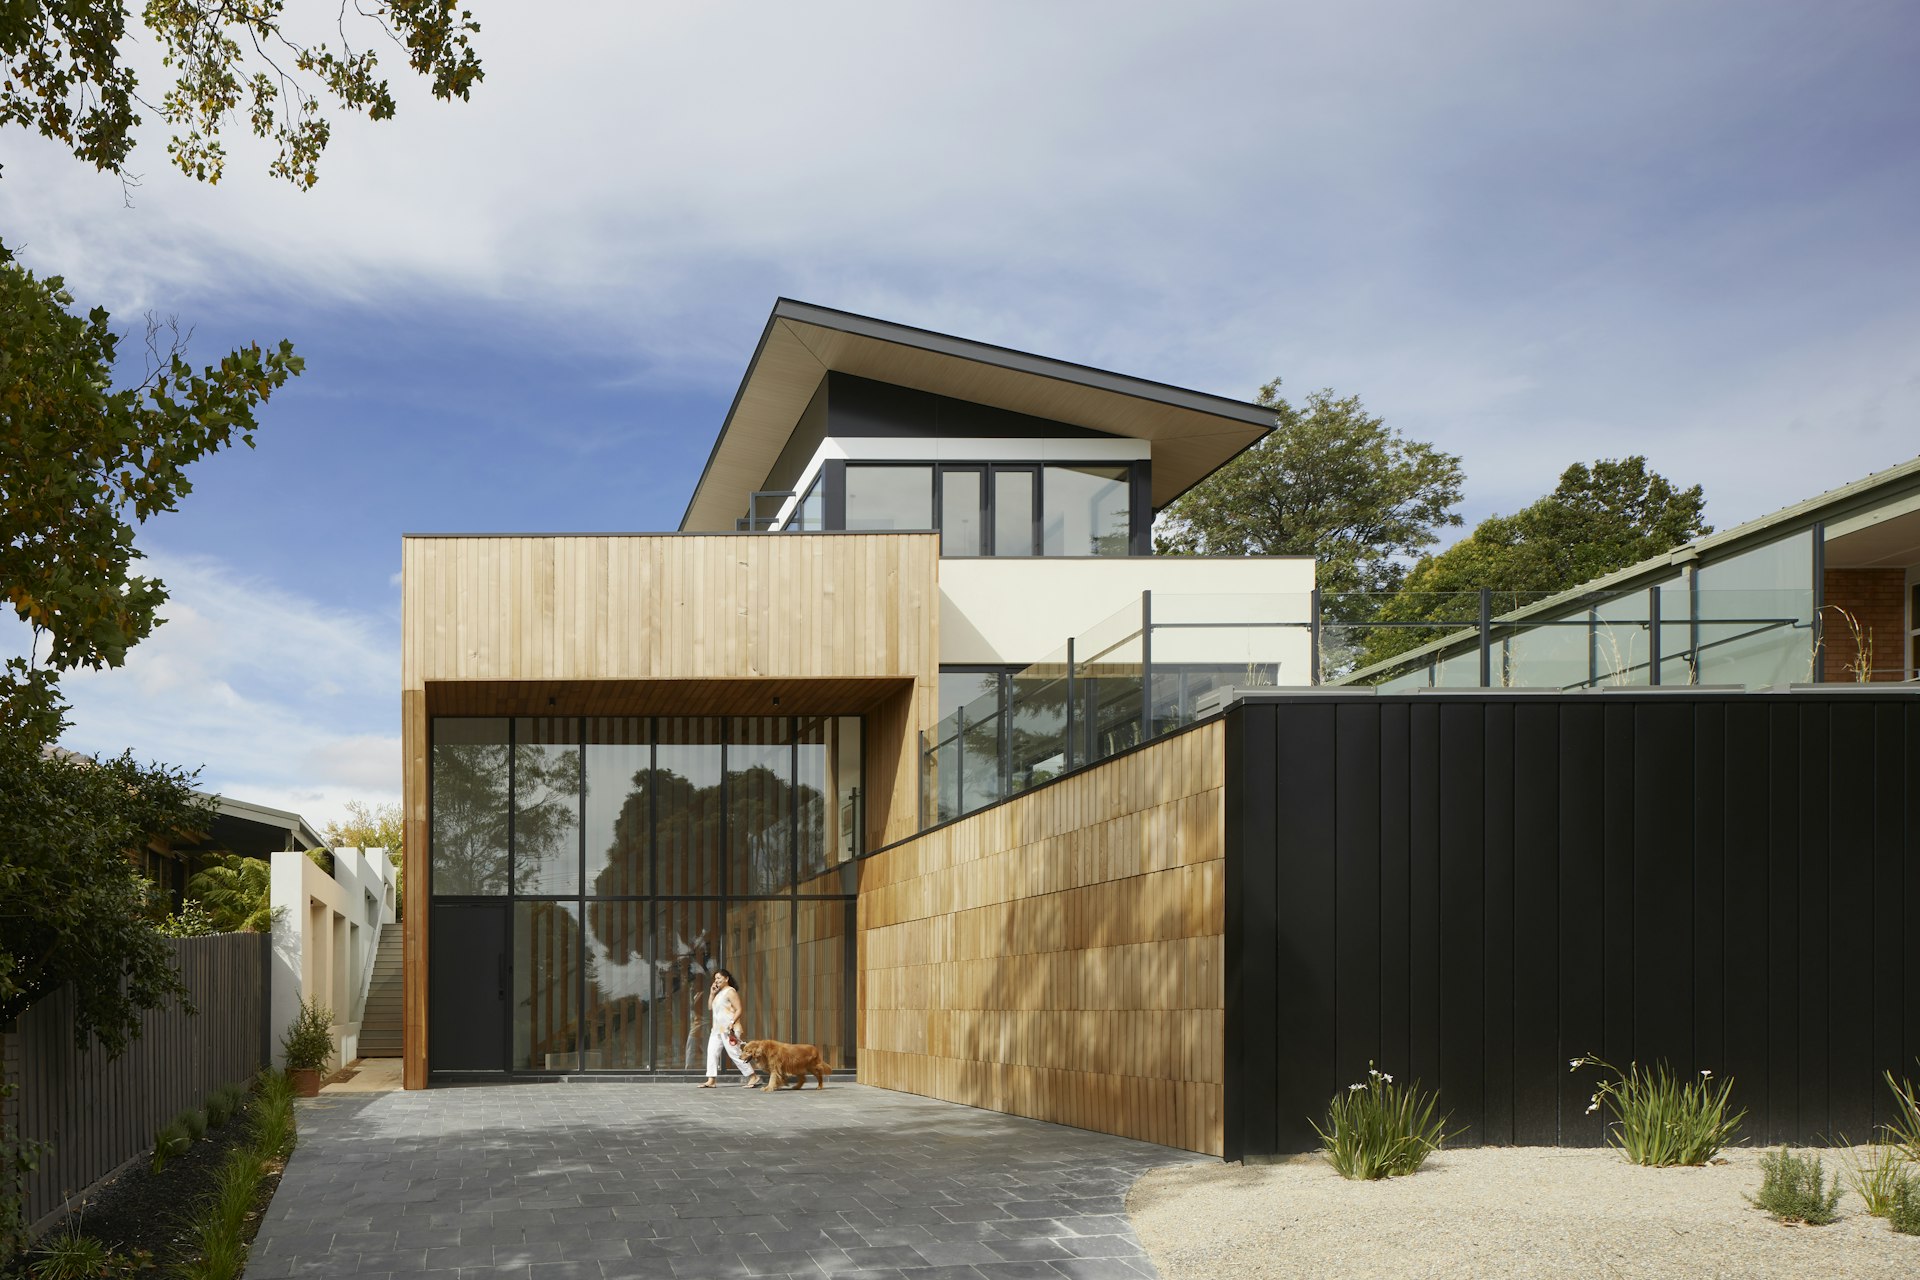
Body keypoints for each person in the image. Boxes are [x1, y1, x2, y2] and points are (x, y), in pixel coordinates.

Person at [701, 968, 760, 1088]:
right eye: (715, 979)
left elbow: (739, 1009)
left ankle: (753, 1076)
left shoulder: (730, 991)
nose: (716, 981)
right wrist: (712, 993)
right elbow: (709, 1008)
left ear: (726, 978)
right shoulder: (718, 993)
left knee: (735, 1053)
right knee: (711, 1053)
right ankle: (711, 1080)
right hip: (717, 1029)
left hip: (729, 1029)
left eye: (719, 978)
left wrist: (732, 1022)